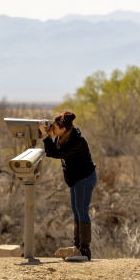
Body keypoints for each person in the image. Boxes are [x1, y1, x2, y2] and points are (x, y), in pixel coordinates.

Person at [39, 111, 97, 260]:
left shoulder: (76, 141)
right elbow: (53, 151)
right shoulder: (64, 137)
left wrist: (45, 136)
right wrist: (49, 133)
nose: (53, 129)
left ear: (63, 129)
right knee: (76, 211)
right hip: (76, 179)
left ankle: (85, 251)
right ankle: (77, 249)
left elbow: (55, 154)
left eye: (55, 127)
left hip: (84, 178)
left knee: (82, 211)